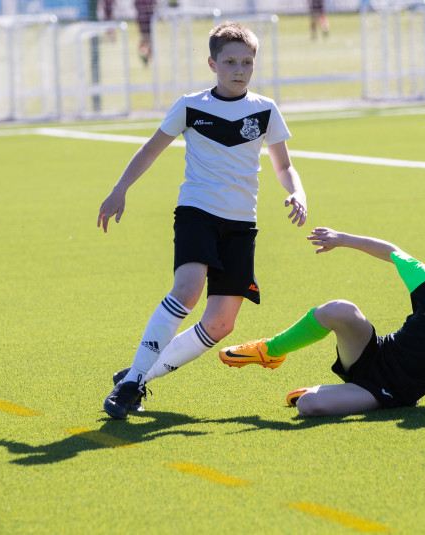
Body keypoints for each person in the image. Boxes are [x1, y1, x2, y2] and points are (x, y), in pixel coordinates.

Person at [98, 21, 308, 419]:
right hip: (197, 212)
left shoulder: (264, 110)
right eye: (230, 61)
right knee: (188, 289)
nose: (239, 69)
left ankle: (137, 376)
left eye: (247, 62)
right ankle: (129, 388)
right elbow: (151, 149)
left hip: (241, 225)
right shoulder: (192, 105)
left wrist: (296, 191)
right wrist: (120, 188)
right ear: (212, 64)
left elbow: (284, 165)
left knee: (221, 324)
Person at [218, 227, 425, 417]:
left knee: (309, 406)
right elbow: (392, 252)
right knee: (341, 310)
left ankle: (322, 393)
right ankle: (271, 350)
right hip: (374, 354)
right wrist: (342, 239)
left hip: (391, 392)